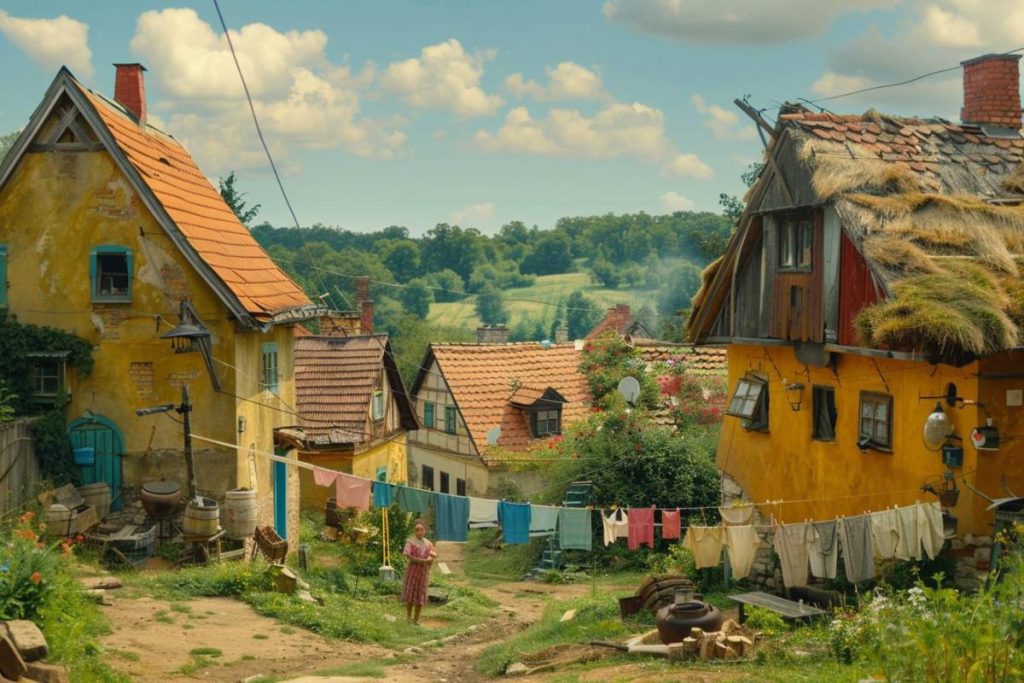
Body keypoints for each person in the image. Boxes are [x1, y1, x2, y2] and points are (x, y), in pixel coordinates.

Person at [401, 519, 437, 624]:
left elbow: (434, 554)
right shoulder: (411, 542)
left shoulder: (427, 543)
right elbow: (408, 555)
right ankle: (408, 618)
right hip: (413, 571)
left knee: (420, 596)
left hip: (423, 573)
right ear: (414, 531)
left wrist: (429, 559)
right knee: (410, 595)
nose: (419, 532)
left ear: (424, 531)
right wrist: (421, 561)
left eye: (421, 530)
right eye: (417, 530)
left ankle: (416, 619)